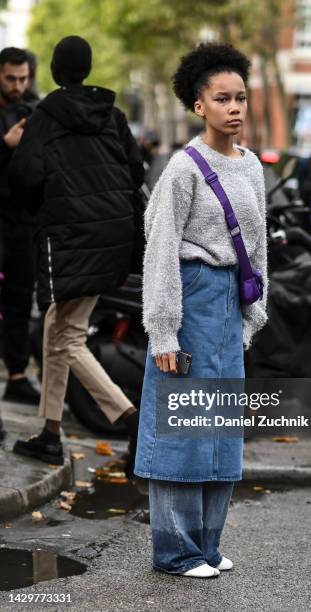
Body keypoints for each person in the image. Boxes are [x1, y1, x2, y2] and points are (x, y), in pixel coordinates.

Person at [134, 43, 268, 577]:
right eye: (222, 98)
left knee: (220, 430)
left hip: (229, 305)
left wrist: (253, 313)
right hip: (188, 299)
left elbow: (257, 249)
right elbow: (161, 247)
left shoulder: (253, 165)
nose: (234, 107)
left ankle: (207, 546)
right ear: (199, 106)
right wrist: (164, 333)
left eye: (240, 97)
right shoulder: (183, 169)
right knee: (181, 433)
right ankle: (175, 551)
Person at [9, 36, 144, 475]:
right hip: (111, 236)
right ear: (86, 69)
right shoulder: (112, 114)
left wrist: (44, 211)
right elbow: (135, 169)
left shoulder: (45, 115)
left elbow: (25, 176)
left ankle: (131, 418)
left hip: (69, 238)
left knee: (68, 337)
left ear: (52, 68)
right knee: (56, 327)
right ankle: (50, 433)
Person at [0, 47, 40, 407]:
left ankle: (16, 374)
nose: (17, 85)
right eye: (10, 78)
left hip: (24, 221)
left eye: (22, 78)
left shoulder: (33, 111)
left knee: (19, 300)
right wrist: (5, 145)